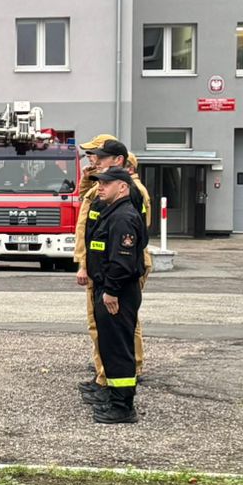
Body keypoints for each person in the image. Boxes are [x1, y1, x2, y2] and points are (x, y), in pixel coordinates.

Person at [74, 136, 153, 404]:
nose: (94, 161)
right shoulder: (106, 187)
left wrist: (108, 278)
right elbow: (89, 217)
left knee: (119, 325)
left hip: (118, 267)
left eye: (100, 157)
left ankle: (119, 381)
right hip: (104, 266)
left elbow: (130, 236)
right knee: (102, 325)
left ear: (118, 161)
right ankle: (105, 376)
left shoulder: (130, 191)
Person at [85, 167, 147, 424]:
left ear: (122, 187)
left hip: (117, 292)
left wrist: (111, 291)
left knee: (118, 349)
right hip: (108, 288)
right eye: (99, 183)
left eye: (106, 184)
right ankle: (114, 397)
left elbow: (122, 261)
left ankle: (123, 407)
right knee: (110, 347)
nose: (100, 187)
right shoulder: (112, 213)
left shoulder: (123, 217)